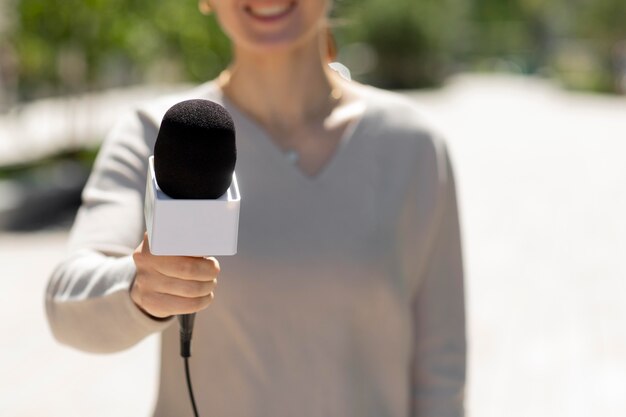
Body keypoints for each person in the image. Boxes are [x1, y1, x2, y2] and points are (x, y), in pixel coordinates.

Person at [45, 0, 466, 416]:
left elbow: (441, 365)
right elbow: (65, 306)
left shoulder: (412, 146)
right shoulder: (157, 133)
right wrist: (139, 288)